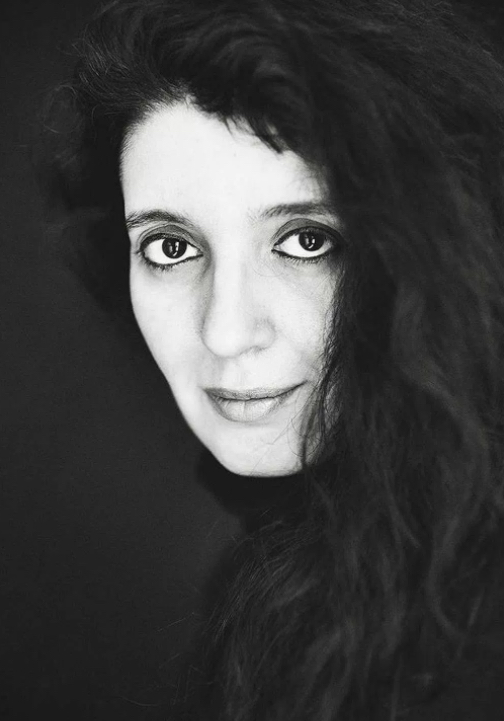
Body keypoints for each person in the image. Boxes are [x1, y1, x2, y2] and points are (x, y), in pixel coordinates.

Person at [42, 0, 504, 718]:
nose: (226, 332)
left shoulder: (473, 634)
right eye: (171, 247)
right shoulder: (289, 576)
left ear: (434, 248)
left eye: (307, 241)